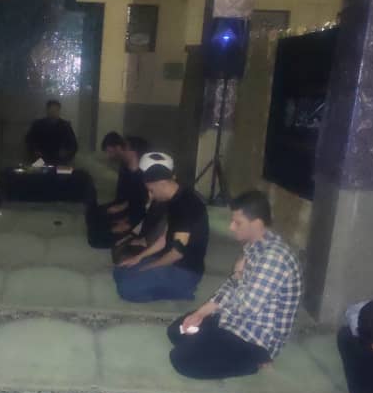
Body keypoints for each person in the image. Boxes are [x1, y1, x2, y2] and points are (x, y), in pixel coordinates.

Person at [168, 190, 302, 378]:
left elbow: (246, 307)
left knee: (181, 360)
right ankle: (209, 343)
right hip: (233, 321)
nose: (231, 227)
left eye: (237, 223)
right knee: (176, 330)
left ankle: (252, 363)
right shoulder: (254, 246)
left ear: (256, 224)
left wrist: (238, 276)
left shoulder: (274, 259)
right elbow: (230, 287)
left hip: (254, 340)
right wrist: (201, 313)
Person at [113, 153, 208, 302]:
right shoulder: (174, 199)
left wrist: (148, 267)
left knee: (126, 289)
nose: (150, 196)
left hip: (184, 271)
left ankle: (183, 292)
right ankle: (156, 281)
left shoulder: (187, 206)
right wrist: (138, 258)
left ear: (162, 184)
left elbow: (176, 254)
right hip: (170, 261)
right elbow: (164, 239)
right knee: (120, 271)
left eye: (151, 190)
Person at [86, 132, 151, 249]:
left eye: (125, 148)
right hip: (126, 210)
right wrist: (120, 207)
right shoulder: (125, 168)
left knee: (96, 238)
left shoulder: (143, 177)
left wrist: (128, 222)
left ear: (133, 152)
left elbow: (143, 207)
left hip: (134, 219)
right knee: (94, 215)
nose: (122, 150)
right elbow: (127, 197)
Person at [25, 99, 79, 165]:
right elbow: (29, 141)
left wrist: (66, 153)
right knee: (37, 171)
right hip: (41, 159)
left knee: (63, 171)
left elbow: (73, 145)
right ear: (47, 110)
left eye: (55, 110)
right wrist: (35, 151)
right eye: (51, 110)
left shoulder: (65, 126)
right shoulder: (37, 125)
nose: (53, 112)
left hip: (60, 160)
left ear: (59, 111)